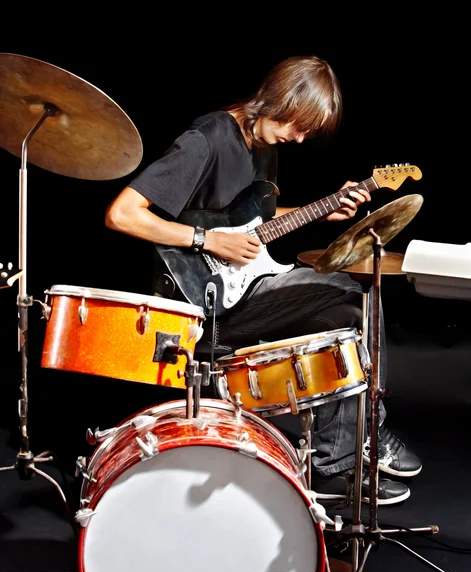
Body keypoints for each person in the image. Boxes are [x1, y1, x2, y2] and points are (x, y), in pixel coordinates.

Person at [104, 55, 422, 505]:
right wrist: (206, 240)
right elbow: (123, 215)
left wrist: (322, 211)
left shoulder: (263, 147)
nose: (301, 137)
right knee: (349, 298)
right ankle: (343, 461)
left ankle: (356, 441)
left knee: (353, 297)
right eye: (301, 124)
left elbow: (255, 223)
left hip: (248, 282)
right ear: (281, 98)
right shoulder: (207, 139)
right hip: (208, 304)